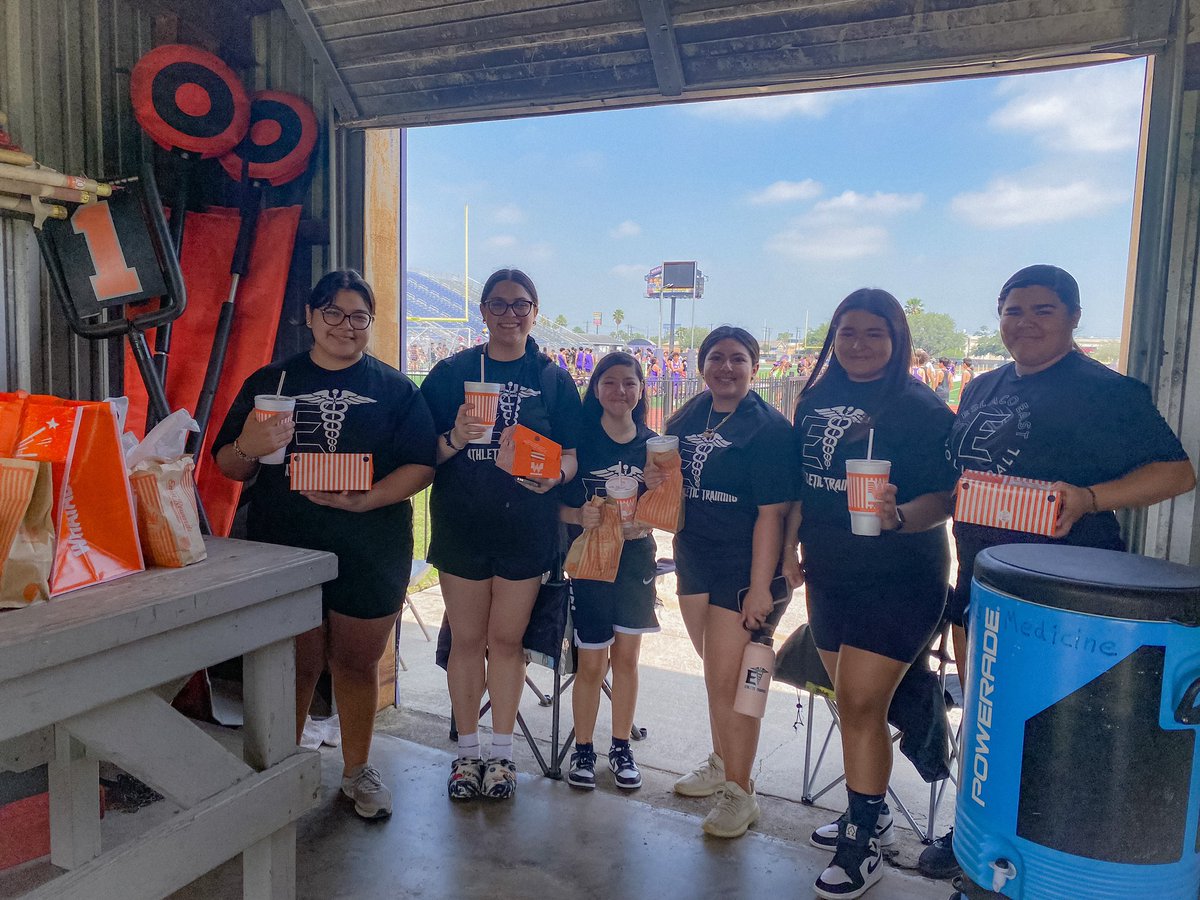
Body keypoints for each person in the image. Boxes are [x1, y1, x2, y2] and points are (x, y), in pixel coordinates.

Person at [921, 263, 1196, 879]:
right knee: (987, 715)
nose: (1025, 323)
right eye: (1013, 311)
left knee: (1060, 727)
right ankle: (977, 828)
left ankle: (1058, 856)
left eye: (1043, 310)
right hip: (985, 581)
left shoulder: (1109, 392)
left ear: (1073, 317)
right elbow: (958, 484)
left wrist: (1090, 498)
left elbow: (1177, 473)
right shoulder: (981, 388)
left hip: (1071, 596)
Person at [213, 269, 437, 820]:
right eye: (333, 313)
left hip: (371, 544)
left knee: (357, 665)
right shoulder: (274, 382)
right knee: (296, 662)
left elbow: (422, 464)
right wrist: (249, 442)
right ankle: (281, 774)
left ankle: (357, 773)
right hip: (287, 547)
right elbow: (227, 465)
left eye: (359, 316)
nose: (346, 326)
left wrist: (372, 497)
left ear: (370, 324)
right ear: (310, 317)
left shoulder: (394, 388)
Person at [783, 289, 959, 898]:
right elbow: (800, 486)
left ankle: (863, 843)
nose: (858, 344)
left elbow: (947, 496)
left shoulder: (920, 407)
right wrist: (788, 550)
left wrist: (900, 514)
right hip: (830, 571)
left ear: (897, 340)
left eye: (873, 333)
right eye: (847, 332)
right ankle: (873, 808)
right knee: (849, 700)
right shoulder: (815, 399)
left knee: (860, 703)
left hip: (902, 577)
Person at [420, 268, 583, 802]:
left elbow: (577, 453)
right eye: (498, 304)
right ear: (483, 311)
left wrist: (554, 474)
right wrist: (453, 437)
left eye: (521, 305)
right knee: (468, 641)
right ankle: (467, 755)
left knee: (507, 641)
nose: (510, 314)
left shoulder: (553, 378)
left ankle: (502, 756)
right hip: (463, 524)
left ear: (535, 311)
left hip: (525, 527)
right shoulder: (452, 372)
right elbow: (421, 453)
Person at [651, 326, 794, 838]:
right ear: (701, 364)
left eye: (738, 359)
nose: (726, 368)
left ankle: (741, 790)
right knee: (715, 673)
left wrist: (762, 587)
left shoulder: (769, 429)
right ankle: (721, 761)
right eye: (716, 358)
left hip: (745, 566)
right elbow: (669, 481)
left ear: (755, 367)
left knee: (732, 685)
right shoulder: (689, 414)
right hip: (693, 556)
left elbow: (771, 516)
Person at [560, 351, 660, 791]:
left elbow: (670, 509)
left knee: (627, 660)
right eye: (611, 382)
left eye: (630, 383)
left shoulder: (655, 444)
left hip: (636, 558)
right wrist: (576, 516)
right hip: (591, 561)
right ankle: (584, 748)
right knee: (591, 660)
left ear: (642, 390)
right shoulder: (579, 438)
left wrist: (652, 510)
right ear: (596, 388)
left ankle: (621, 746)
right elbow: (550, 505)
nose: (621, 391)